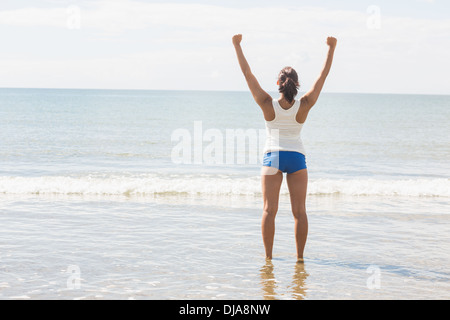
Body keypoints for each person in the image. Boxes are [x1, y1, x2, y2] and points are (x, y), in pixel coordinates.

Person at [232, 34, 337, 262]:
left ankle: (269, 259)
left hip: (273, 158)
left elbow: (247, 74)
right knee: (299, 212)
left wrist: (237, 45)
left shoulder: (266, 103)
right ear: (297, 84)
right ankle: (299, 259)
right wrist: (331, 47)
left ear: (278, 84)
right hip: (296, 158)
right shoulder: (305, 104)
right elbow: (323, 75)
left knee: (269, 211)